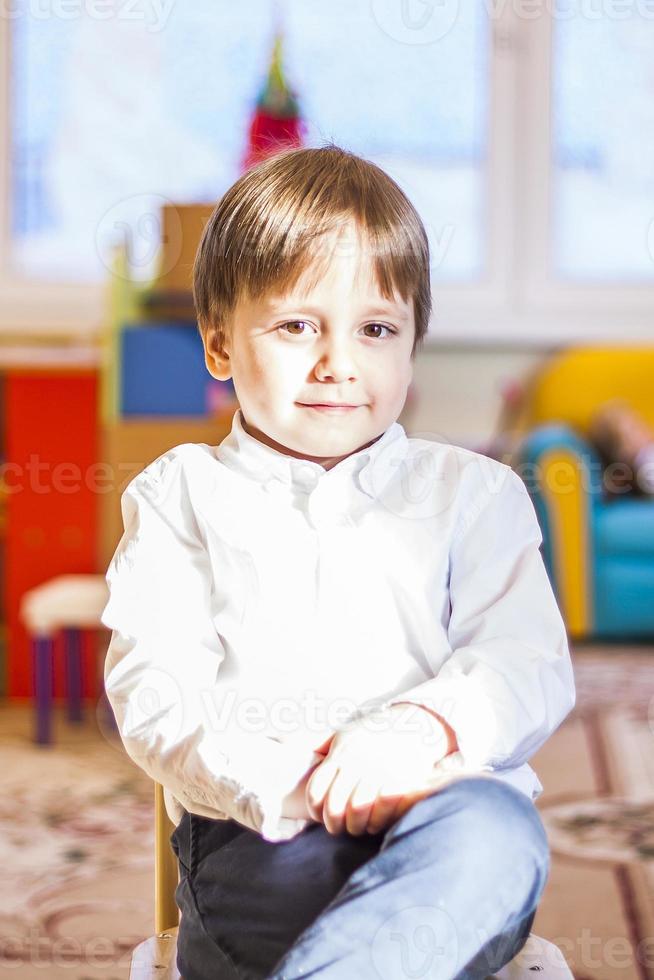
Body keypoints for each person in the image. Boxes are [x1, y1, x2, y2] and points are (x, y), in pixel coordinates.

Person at [102, 143, 576, 980]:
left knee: (501, 836)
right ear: (218, 345)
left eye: (376, 330)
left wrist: (417, 734)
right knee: (308, 898)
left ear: (412, 347)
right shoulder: (179, 495)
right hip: (262, 841)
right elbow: (157, 695)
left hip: (446, 824)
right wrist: (309, 781)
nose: (338, 363)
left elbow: (525, 666)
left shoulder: (478, 494)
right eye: (295, 326)